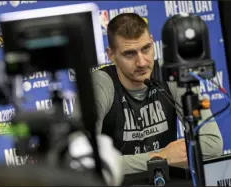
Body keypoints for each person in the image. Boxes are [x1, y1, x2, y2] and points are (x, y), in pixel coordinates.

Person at [73, 13, 223, 175]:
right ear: (111, 55)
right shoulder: (101, 84)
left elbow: (213, 144)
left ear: (152, 42)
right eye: (129, 54)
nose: (142, 62)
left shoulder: (170, 73)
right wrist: (161, 157)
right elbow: (84, 160)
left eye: (146, 49)